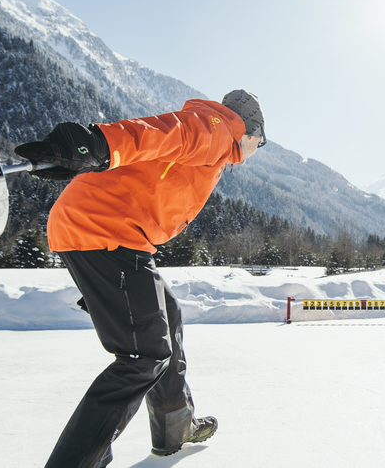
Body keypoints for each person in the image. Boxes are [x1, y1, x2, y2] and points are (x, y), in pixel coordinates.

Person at [14, 90, 266, 467]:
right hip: (104, 231)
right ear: (250, 130)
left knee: (169, 314)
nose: (256, 150)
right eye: (261, 143)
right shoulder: (216, 129)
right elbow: (160, 133)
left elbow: (159, 150)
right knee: (144, 355)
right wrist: (98, 145)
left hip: (111, 232)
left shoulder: (215, 141)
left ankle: (175, 427)